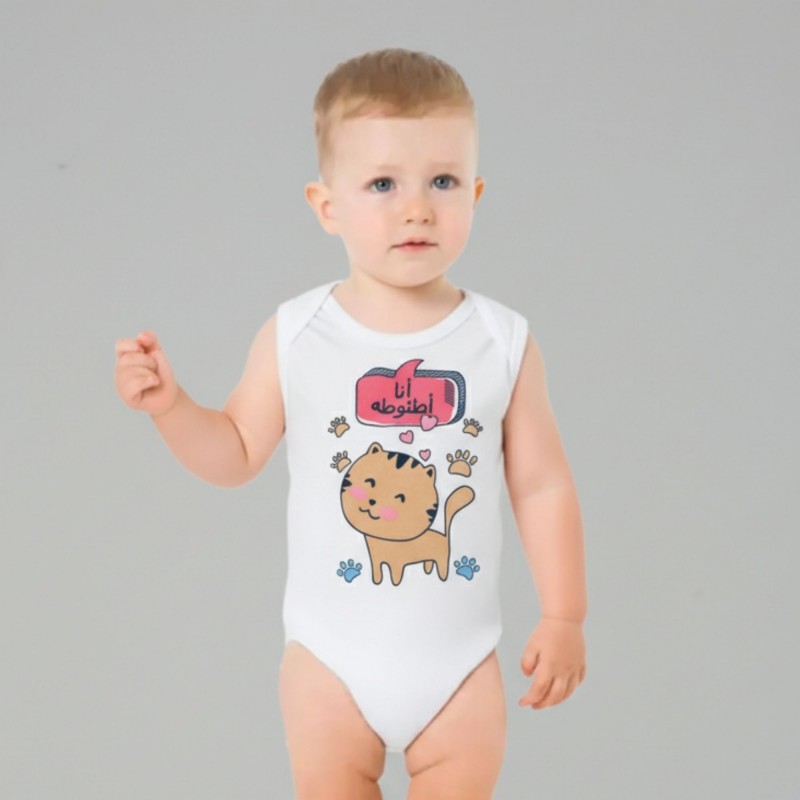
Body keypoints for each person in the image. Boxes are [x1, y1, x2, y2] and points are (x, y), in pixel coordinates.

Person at [114, 47, 587, 800]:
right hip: (329, 662)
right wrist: (172, 408)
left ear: (476, 192)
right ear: (327, 205)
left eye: (443, 181)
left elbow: (541, 485)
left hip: (461, 666)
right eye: (383, 184)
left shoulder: (502, 341)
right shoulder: (298, 333)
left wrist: (564, 614)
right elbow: (235, 453)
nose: (416, 208)